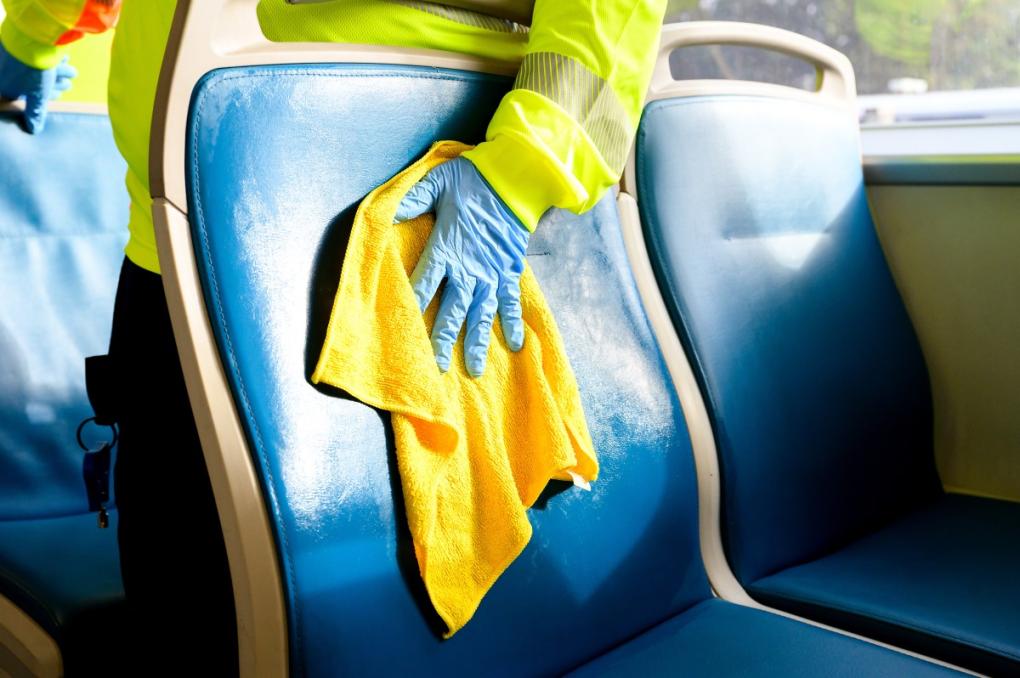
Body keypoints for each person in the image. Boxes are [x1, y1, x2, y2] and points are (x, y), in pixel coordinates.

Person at [0, 0, 666, 673]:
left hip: (404, 196)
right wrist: (35, 31)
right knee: (193, 615)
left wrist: (526, 167)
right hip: (178, 224)